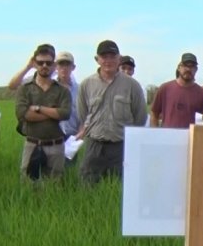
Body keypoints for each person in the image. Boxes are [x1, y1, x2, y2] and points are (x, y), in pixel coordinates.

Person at [76, 39, 147, 183]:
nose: (108, 61)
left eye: (112, 56)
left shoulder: (132, 85)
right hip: (95, 146)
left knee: (120, 189)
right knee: (88, 187)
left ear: (119, 59)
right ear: (97, 59)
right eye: (104, 57)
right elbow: (83, 114)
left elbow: (140, 117)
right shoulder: (86, 84)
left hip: (121, 146)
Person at [14, 45, 71, 180]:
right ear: (35, 63)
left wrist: (39, 108)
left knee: (55, 187)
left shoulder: (62, 90)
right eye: (40, 62)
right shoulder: (25, 89)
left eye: (48, 63)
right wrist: (53, 113)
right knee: (29, 185)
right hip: (32, 144)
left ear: (54, 65)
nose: (44, 65)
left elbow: (65, 114)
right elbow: (23, 114)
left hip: (56, 146)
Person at [149, 53, 203, 128]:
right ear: (179, 67)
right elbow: (154, 113)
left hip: (191, 138)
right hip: (167, 137)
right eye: (185, 65)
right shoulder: (165, 89)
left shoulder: (202, 95)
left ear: (196, 70)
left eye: (192, 66)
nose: (188, 69)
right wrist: (155, 132)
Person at [55, 51, 80, 140]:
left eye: (67, 64)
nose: (64, 68)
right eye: (61, 64)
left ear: (73, 67)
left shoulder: (79, 89)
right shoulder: (49, 88)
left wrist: (80, 134)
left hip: (72, 136)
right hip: (52, 136)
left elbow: (84, 114)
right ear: (55, 67)